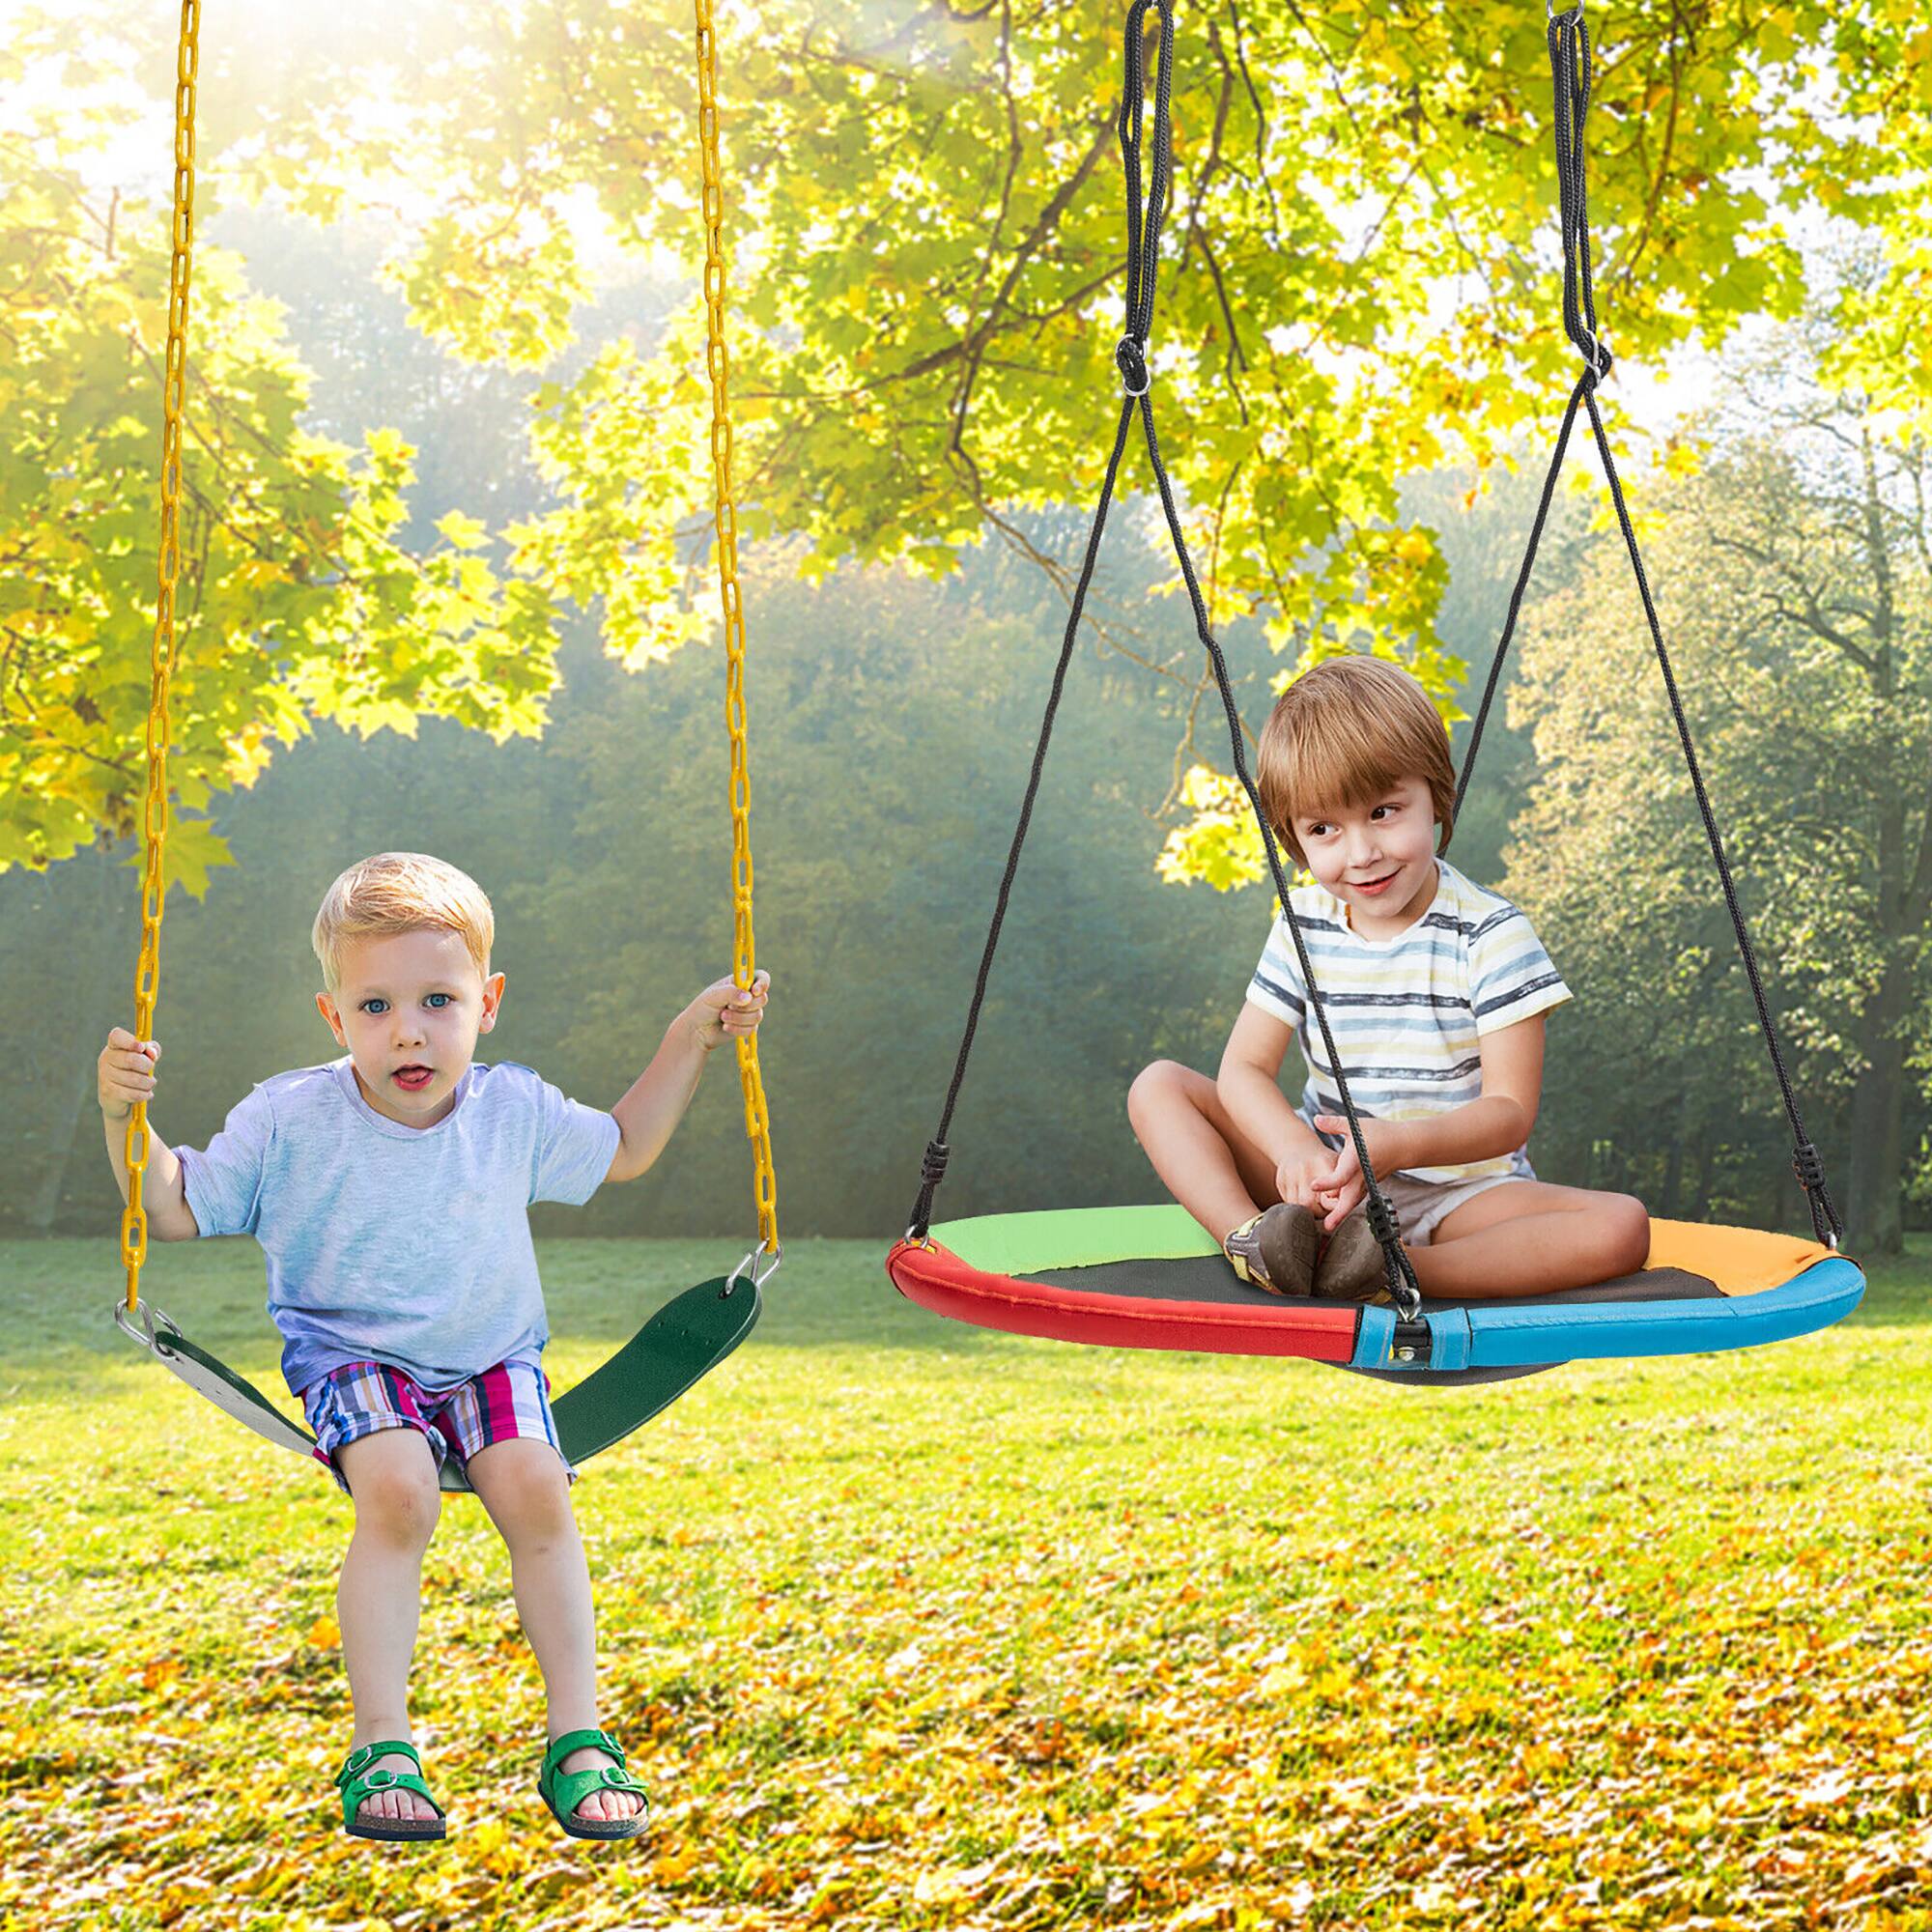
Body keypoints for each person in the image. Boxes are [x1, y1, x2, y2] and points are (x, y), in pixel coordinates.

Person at [97, 852, 770, 1842]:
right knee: (400, 1492)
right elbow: (175, 1204)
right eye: (373, 1005)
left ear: (486, 1002)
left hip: (493, 1358)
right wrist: (126, 1117)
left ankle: (577, 1735)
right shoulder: (290, 1116)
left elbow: (624, 1146)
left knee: (538, 1490)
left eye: (436, 999)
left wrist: (688, 1038)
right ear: (334, 1018)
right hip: (350, 1357)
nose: (407, 1027)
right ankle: (383, 1743)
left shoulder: (513, 1110)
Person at [1127, 655, 1651, 1303]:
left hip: (1460, 1195)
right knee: (1160, 1088)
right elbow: (1243, 1071)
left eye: (1383, 811)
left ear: (1435, 795)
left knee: (1620, 1225)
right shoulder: (1305, 924)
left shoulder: (1492, 934)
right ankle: (1256, 1242)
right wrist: (1296, 1152)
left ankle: (1392, 1272)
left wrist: (1400, 1144)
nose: (1361, 853)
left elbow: (1509, 1113)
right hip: (1328, 1182)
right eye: (1324, 829)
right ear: (1294, 841)